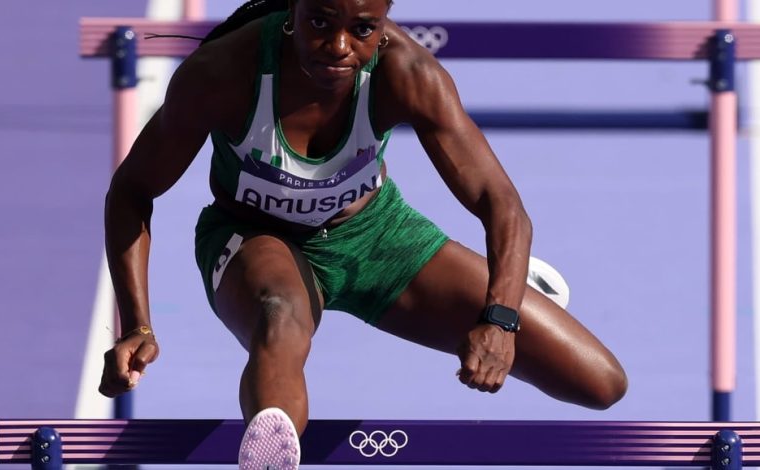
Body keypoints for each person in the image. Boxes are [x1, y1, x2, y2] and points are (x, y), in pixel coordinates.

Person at [99, 0, 628, 468]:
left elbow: (502, 204)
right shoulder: (223, 73)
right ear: (294, 10)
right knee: (281, 317)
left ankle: (504, 280)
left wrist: (501, 316)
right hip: (253, 239)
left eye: (362, 28)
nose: (337, 46)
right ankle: (267, 461)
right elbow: (132, 189)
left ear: (385, 22)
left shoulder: (410, 73)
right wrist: (137, 325)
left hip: (374, 237)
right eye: (320, 22)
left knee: (600, 383)